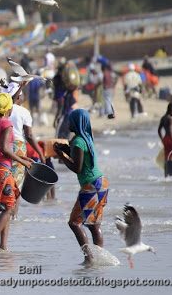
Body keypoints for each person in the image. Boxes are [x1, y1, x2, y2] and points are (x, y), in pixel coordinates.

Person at [54, 109, 108, 265]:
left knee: (74, 223)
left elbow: (77, 167)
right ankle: (99, 258)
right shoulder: (86, 138)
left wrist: (61, 156)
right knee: (93, 224)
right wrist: (65, 149)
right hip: (102, 183)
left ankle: (89, 258)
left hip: (90, 185)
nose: (68, 123)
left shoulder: (78, 141)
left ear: (76, 123)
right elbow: (80, 155)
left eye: (70, 121)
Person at [0, 93, 33, 253]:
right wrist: (23, 161)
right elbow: (5, 148)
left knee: (7, 205)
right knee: (9, 208)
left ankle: (3, 246)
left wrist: (21, 157)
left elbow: (0, 148)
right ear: (9, 108)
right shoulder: (7, 124)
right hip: (2, 169)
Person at [9, 85, 45, 218]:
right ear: (18, 97)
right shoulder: (23, 112)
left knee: (4, 181)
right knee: (16, 183)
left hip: (2, 146)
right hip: (17, 146)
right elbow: (29, 135)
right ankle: (13, 216)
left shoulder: (2, 109)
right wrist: (40, 152)